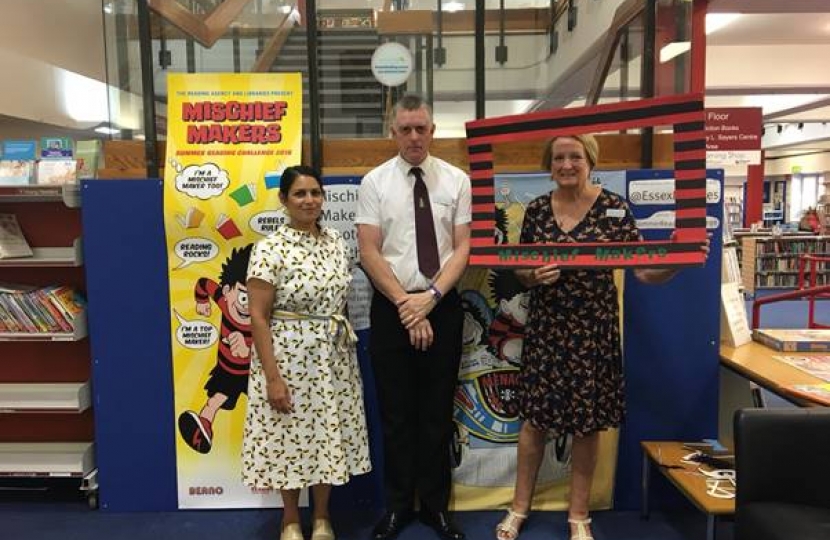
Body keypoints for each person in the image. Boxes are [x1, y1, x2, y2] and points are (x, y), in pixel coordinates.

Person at [494, 134, 709, 540]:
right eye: (558, 157)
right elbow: (519, 270)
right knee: (534, 423)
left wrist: (680, 263)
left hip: (593, 332)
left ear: (590, 160)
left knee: (587, 426)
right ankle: (519, 507)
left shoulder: (614, 208)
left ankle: (578, 515)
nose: (567, 164)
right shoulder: (538, 211)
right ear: (549, 164)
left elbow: (644, 271)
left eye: (575, 156)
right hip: (547, 329)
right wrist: (532, 275)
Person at [356, 93, 471, 540]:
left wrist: (433, 296)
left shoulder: (456, 181)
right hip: (392, 308)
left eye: (421, 128)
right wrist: (407, 303)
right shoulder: (375, 182)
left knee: (437, 414)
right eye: (405, 129)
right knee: (397, 413)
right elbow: (369, 249)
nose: (414, 136)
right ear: (394, 133)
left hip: (442, 307)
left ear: (433, 131)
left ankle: (436, 508)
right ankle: (398, 507)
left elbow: (463, 246)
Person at [244, 165, 371, 540]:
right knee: (287, 435)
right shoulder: (269, 249)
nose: (309, 200)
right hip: (287, 358)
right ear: (283, 200)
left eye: (315, 192)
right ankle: (289, 518)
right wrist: (272, 377)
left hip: (332, 359)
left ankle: (321, 516)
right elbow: (258, 316)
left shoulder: (336, 242)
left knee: (326, 433)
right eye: (299, 193)